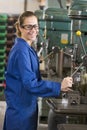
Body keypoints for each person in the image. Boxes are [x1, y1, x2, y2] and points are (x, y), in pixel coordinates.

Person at [3, 11, 73, 130]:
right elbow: (30, 84)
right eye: (28, 27)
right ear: (20, 28)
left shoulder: (26, 48)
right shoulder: (21, 51)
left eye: (35, 26)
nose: (33, 30)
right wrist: (58, 86)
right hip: (21, 111)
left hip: (25, 106)